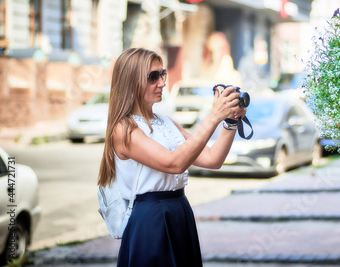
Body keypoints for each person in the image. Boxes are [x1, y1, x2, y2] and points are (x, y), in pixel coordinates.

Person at [97, 47, 246, 266]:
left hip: (179, 211)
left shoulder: (166, 121)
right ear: (131, 81)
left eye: (162, 73)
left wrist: (231, 121)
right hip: (150, 219)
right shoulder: (124, 128)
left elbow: (212, 159)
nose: (162, 82)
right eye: (152, 77)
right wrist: (213, 117)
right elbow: (174, 163)